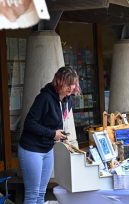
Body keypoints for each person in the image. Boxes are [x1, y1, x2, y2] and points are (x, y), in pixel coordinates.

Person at [18, 66, 81, 204]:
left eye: (73, 83)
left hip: (48, 148)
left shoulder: (68, 100)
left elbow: (59, 121)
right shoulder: (44, 98)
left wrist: (61, 134)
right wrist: (53, 133)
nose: (71, 87)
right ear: (58, 81)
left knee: (41, 193)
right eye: (67, 83)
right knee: (32, 194)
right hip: (31, 149)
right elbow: (29, 124)